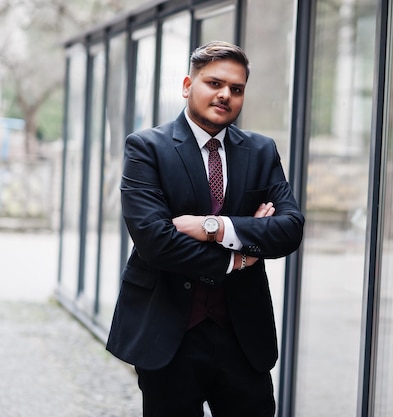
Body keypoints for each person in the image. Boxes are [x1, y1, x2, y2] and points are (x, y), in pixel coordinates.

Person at [106, 40, 305, 417]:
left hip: (243, 335)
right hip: (168, 334)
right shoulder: (147, 148)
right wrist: (238, 259)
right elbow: (155, 241)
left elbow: (289, 228)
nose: (225, 95)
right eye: (214, 83)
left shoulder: (262, 152)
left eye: (236, 88)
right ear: (187, 86)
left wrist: (213, 226)